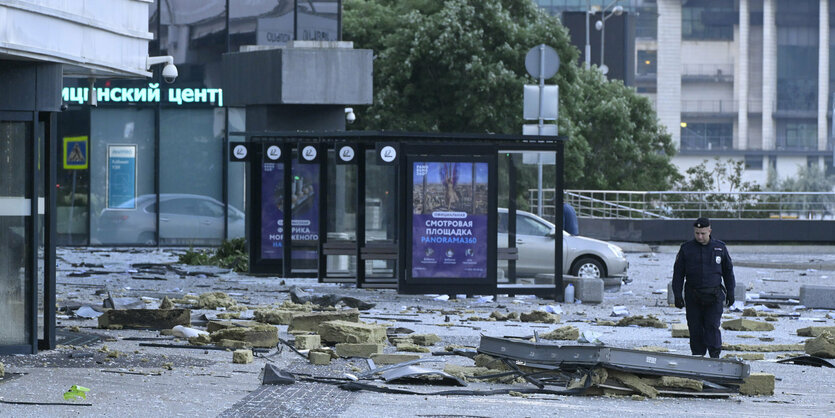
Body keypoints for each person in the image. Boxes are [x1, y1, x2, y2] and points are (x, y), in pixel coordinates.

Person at [672, 217, 735, 358]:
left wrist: (731, 292)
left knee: (712, 326)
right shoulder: (686, 249)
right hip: (693, 295)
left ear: (709, 231)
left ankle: (714, 356)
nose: (700, 236)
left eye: (703, 233)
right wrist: (677, 295)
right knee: (695, 329)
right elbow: (678, 274)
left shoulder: (719, 247)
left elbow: (728, 272)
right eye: (697, 233)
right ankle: (698, 356)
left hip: (714, 295)